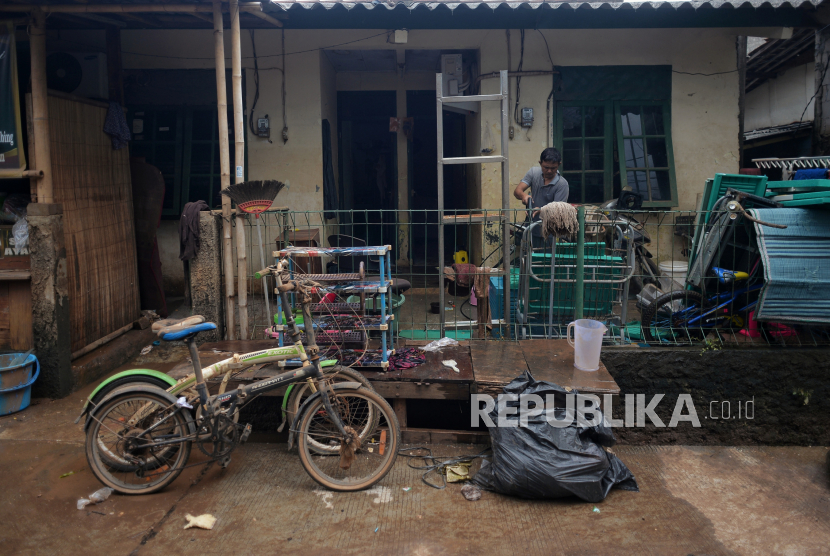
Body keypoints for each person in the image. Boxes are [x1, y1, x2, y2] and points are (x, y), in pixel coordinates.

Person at [513, 147, 570, 246]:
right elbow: (517, 191)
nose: (549, 171)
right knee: (528, 258)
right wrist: (524, 196)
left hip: (551, 232)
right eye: (546, 167)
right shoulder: (533, 173)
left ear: (559, 165)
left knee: (548, 260)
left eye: (553, 168)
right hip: (531, 228)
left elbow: (558, 210)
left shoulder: (562, 184)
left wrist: (541, 210)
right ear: (540, 163)